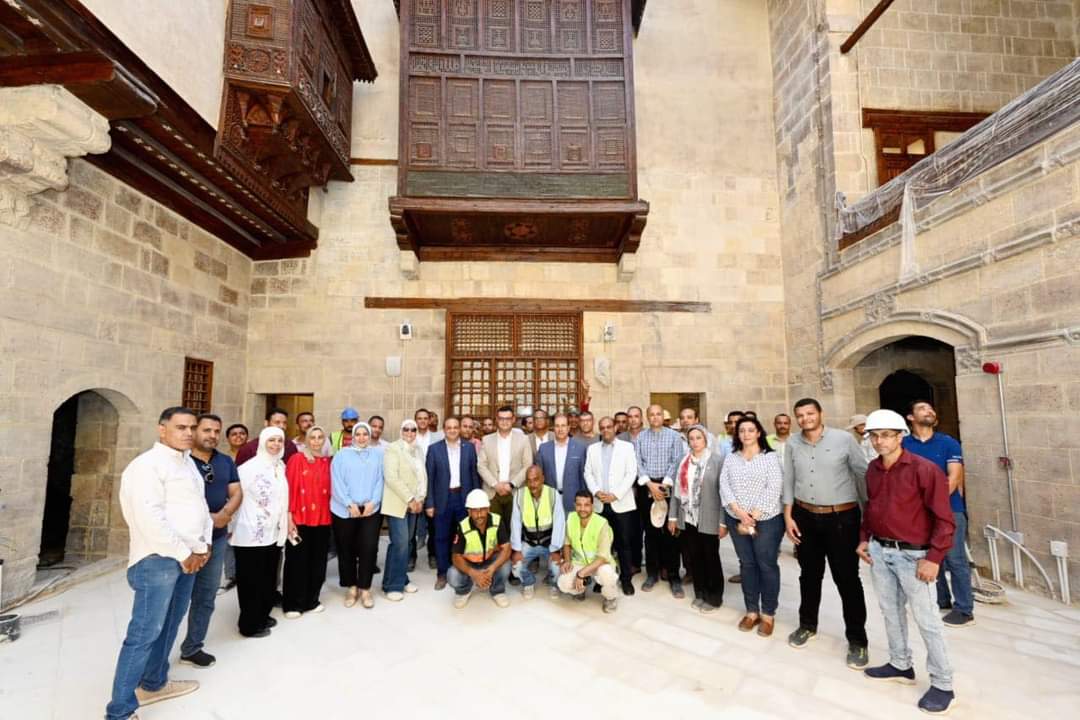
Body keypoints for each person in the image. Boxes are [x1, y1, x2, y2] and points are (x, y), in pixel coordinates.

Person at [105, 407, 210, 720]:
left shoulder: (188, 463)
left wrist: (202, 546)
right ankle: (120, 711)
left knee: (170, 624)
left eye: (192, 427)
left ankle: (154, 683)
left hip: (188, 557)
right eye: (181, 427)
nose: (188, 433)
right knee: (144, 634)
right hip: (158, 560)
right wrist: (184, 553)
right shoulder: (146, 465)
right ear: (162, 429)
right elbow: (149, 517)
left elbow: (200, 507)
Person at [858, 410, 957, 716]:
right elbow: (872, 508)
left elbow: (944, 519)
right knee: (890, 612)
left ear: (901, 436)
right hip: (881, 550)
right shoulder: (873, 469)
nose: (879, 441)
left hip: (914, 556)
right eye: (874, 436)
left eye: (886, 435)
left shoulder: (924, 470)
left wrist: (934, 558)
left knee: (927, 620)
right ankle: (900, 663)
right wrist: (864, 538)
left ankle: (943, 684)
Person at [782, 398, 870, 668]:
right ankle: (807, 625)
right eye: (800, 415)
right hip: (805, 517)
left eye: (810, 413)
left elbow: (863, 474)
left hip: (841, 518)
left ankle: (858, 640)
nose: (805, 418)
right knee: (809, 576)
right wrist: (788, 516)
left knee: (847, 580)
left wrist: (869, 519)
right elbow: (789, 480)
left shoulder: (844, 440)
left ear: (821, 413)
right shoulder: (793, 443)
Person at [179, 414, 240, 668]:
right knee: (176, 600)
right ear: (194, 431)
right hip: (184, 543)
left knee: (205, 596)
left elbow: (236, 492)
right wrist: (208, 518)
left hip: (216, 540)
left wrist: (225, 514)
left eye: (216, 431)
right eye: (207, 430)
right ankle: (156, 658)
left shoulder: (225, 461)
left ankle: (192, 647)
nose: (212, 435)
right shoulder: (182, 462)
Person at [903, 400, 972, 627]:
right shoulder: (903, 444)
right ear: (910, 417)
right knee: (931, 556)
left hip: (950, 510)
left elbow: (954, 476)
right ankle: (942, 599)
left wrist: (933, 503)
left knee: (955, 558)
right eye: (922, 409)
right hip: (919, 512)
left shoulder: (948, 443)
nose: (929, 411)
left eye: (931, 408)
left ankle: (964, 609)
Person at [720, 417, 784, 635]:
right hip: (736, 518)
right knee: (747, 564)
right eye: (742, 431)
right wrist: (739, 512)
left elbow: (774, 487)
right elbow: (724, 485)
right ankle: (751, 611)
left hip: (766, 520)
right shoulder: (731, 458)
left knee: (766, 564)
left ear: (758, 433)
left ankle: (768, 614)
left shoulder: (770, 457)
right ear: (737, 434)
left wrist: (753, 515)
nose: (746, 434)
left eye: (750, 430)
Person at [232, 426, 290, 637]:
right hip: (251, 532)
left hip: (272, 532)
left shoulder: (279, 466)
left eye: (279, 440)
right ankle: (249, 625)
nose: (276, 444)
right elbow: (235, 496)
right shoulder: (249, 468)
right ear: (263, 442)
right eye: (271, 440)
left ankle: (262, 615)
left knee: (267, 578)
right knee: (251, 581)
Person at [669, 425, 727, 613]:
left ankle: (714, 597)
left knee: (710, 557)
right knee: (695, 557)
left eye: (698, 438)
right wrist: (673, 517)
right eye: (691, 439)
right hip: (688, 517)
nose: (695, 442)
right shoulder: (683, 461)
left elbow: (724, 494)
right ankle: (700, 593)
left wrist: (722, 521)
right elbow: (676, 492)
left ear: (706, 439)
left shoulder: (717, 461)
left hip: (709, 517)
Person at [330, 422, 384, 609]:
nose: (362, 438)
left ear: (369, 436)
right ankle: (351, 587)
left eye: (365, 434)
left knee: (369, 548)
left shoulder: (377, 455)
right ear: (353, 436)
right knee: (346, 550)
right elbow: (336, 481)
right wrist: (348, 503)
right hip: (345, 510)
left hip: (370, 509)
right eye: (358, 434)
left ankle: (365, 588)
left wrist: (373, 502)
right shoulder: (341, 455)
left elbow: (380, 480)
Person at [584, 416, 639, 596]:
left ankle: (626, 580)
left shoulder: (627, 447)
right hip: (600, 504)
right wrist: (596, 492)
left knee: (624, 544)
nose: (606, 430)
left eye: (609, 426)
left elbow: (631, 473)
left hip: (620, 503)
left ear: (615, 428)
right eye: (602, 427)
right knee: (602, 545)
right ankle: (601, 579)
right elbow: (588, 473)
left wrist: (616, 494)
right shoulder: (592, 449)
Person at [425, 416, 482, 589]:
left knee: (467, 536)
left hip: (464, 498)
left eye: (455, 427)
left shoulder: (469, 448)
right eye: (449, 427)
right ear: (444, 429)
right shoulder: (434, 449)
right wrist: (430, 503)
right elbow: (429, 478)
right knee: (441, 537)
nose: (452, 430)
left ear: (459, 429)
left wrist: (476, 501)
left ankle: (465, 570)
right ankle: (442, 573)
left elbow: (474, 475)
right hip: (443, 499)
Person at [282, 425, 332, 618]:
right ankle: (293, 604)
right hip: (300, 519)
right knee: (297, 561)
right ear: (307, 440)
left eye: (320, 437)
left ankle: (312, 600)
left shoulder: (327, 462)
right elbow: (289, 489)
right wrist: (289, 517)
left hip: (322, 519)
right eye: (313, 437)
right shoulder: (297, 459)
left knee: (318, 561)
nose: (316, 441)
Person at [635, 404, 685, 597]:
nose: (655, 417)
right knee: (651, 533)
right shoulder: (641, 437)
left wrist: (664, 485)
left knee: (671, 533)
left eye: (658, 414)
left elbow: (677, 460)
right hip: (648, 486)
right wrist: (649, 484)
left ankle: (673, 576)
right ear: (647, 417)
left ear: (663, 416)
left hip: (668, 486)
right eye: (652, 415)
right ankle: (652, 573)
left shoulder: (674, 436)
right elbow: (638, 462)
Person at [382, 419, 427, 601]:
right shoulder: (393, 449)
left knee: (407, 543)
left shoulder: (418, 450)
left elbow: (422, 477)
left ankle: (400, 578)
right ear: (401, 431)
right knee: (400, 543)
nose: (410, 433)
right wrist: (410, 499)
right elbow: (391, 477)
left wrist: (421, 498)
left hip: (414, 505)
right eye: (406, 429)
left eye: (413, 430)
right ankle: (393, 586)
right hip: (398, 503)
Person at [557, 489, 619, 613]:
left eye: (586, 505)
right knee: (563, 583)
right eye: (579, 505)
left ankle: (611, 598)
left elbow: (602, 557)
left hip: (600, 563)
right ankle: (581, 587)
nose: (582, 509)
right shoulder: (571, 518)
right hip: (580, 561)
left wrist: (581, 573)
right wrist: (567, 561)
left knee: (607, 574)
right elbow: (567, 543)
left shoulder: (602, 524)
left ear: (592, 506)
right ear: (574, 505)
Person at [448, 489, 512, 608]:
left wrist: (492, 568)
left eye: (482, 509)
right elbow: (456, 557)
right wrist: (474, 574)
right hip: (470, 564)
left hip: (489, 561)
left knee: (506, 565)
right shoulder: (463, 526)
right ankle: (464, 591)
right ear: (469, 512)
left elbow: (507, 548)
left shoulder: (497, 521)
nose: (479, 515)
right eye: (475, 510)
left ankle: (497, 590)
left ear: (488, 509)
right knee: (453, 575)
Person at [478, 405, 533, 539]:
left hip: (515, 491)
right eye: (501, 418)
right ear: (496, 420)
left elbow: (527, 465)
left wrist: (512, 484)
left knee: (515, 530)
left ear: (513, 419)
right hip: (492, 492)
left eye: (507, 418)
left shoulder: (523, 439)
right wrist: (495, 484)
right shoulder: (486, 439)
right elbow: (481, 465)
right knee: (493, 532)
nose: (504, 422)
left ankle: (515, 551)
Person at [510, 465, 565, 599]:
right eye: (529, 480)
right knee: (516, 567)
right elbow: (515, 523)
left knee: (558, 567)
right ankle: (528, 583)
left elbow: (559, 522)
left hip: (549, 543)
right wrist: (517, 550)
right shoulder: (519, 495)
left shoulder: (553, 494)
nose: (532, 484)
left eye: (536, 479)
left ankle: (553, 583)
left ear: (542, 479)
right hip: (529, 543)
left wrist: (555, 549)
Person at [536, 413, 587, 513]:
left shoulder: (580, 448)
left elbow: (583, 477)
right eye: (557, 426)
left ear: (568, 428)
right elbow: (539, 475)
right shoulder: (543, 448)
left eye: (563, 426)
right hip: (549, 499)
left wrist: (583, 500)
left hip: (573, 500)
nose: (560, 429)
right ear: (553, 429)